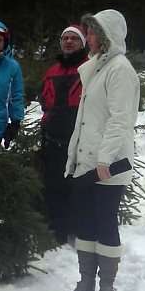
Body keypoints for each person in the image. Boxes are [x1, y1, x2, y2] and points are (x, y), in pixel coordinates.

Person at [64, 9, 139, 291]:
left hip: (107, 166)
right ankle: (86, 280)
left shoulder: (119, 69)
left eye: (93, 32)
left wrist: (105, 158)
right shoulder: (96, 67)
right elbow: (87, 120)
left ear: (106, 37)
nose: (88, 37)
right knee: (85, 221)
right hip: (88, 163)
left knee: (105, 222)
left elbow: (121, 119)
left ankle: (107, 284)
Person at [40, 25, 89, 245]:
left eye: (74, 39)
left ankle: (78, 229)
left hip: (80, 141)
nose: (68, 42)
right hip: (53, 139)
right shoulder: (52, 71)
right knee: (54, 186)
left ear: (83, 43)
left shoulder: (90, 68)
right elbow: (45, 102)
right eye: (65, 38)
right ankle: (56, 229)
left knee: (78, 188)